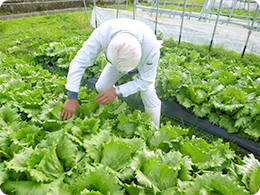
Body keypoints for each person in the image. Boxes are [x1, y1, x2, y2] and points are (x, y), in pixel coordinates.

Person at [61, 18, 161, 127]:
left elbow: (145, 81)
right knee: (101, 86)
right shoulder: (102, 33)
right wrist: (71, 96)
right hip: (116, 60)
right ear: (109, 45)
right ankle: (117, 111)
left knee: (148, 92)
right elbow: (79, 62)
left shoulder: (150, 46)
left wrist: (117, 90)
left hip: (142, 64)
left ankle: (154, 128)